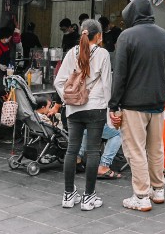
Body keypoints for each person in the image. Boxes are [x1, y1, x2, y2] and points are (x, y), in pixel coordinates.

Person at [108, 0, 165, 212]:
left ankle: (141, 196)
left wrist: (114, 104)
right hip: (158, 102)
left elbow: (120, 74)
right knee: (155, 148)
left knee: (135, 151)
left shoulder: (127, 36)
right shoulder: (162, 35)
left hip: (134, 103)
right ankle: (158, 190)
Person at [55, 19, 112, 211]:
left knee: (72, 150)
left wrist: (68, 98)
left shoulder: (72, 52)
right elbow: (106, 83)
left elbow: (59, 81)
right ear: (99, 36)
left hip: (73, 109)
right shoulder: (103, 53)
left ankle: (68, 195)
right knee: (93, 151)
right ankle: (89, 197)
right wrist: (109, 107)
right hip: (96, 108)